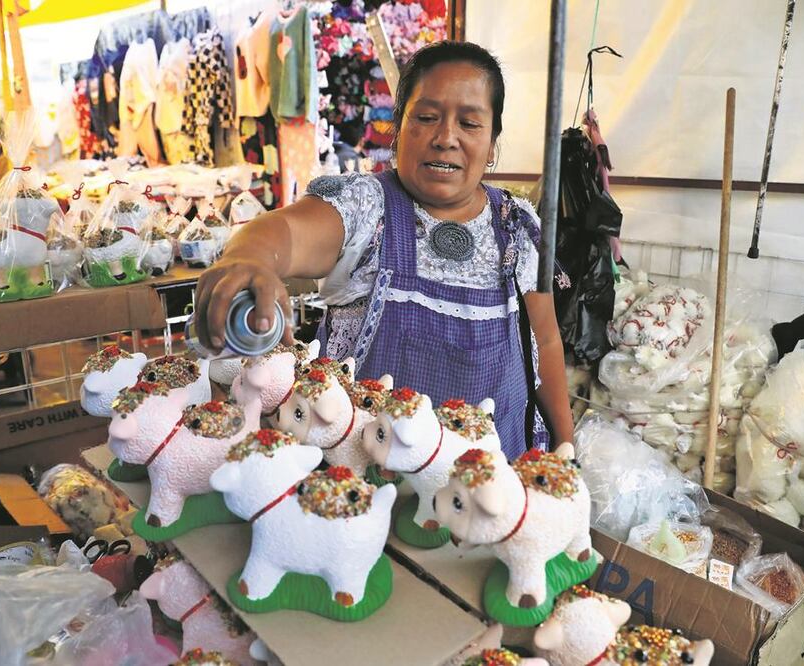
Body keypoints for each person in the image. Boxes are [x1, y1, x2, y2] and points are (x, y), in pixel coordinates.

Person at [195, 41, 574, 455]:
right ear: (398, 127)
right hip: (362, 479)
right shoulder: (365, 207)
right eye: (426, 118)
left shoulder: (517, 226)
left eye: (469, 123)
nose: (446, 138)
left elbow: (547, 341)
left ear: (492, 142)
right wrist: (250, 258)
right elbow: (286, 231)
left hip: (488, 489)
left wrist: (565, 444)